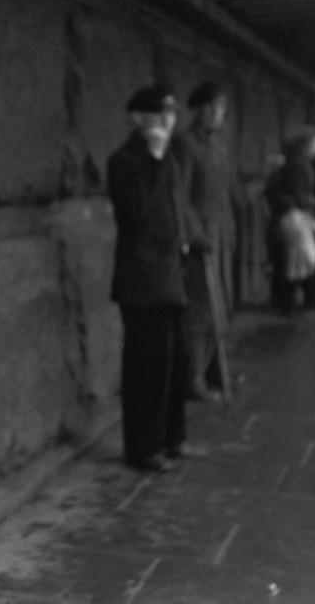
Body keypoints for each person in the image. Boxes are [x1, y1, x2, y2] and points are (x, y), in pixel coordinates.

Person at [107, 83, 203, 473]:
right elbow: (137, 211)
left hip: (169, 274)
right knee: (146, 366)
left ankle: (171, 438)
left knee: (175, 360)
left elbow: (177, 207)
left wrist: (191, 238)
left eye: (171, 114)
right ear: (142, 120)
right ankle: (143, 447)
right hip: (141, 279)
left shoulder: (168, 161)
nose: (169, 121)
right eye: (162, 115)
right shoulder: (125, 161)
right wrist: (156, 157)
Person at [171, 82, 237, 402]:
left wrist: (231, 229)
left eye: (221, 107)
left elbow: (223, 194)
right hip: (199, 240)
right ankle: (192, 377)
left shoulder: (218, 146)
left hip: (219, 236)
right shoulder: (185, 145)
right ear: (196, 110)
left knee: (219, 308)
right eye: (210, 107)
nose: (216, 114)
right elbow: (180, 195)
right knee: (200, 310)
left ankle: (211, 369)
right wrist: (195, 233)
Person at [263, 130, 315, 316]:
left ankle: (291, 300)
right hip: (295, 217)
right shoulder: (300, 166)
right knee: (301, 260)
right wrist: (309, 203)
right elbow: (299, 193)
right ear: (306, 146)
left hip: (287, 217)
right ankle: (297, 301)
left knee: (292, 260)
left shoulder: (292, 163)